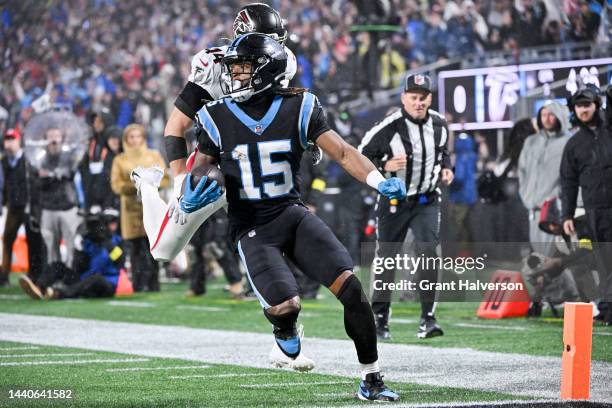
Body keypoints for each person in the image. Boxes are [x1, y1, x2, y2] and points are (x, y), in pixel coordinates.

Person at [133, 33, 404, 401]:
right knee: (285, 307)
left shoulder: (301, 106)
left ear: (266, 71)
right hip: (252, 226)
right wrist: (190, 188)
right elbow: (201, 166)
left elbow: (341, 152)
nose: (234, 76)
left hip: (291, 214)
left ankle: (372, 378)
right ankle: (285, 332)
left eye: (243, 68)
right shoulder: (216, 115)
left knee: (352, 289)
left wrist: (377, 179)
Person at [132, 3, 299, 263]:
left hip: (256, 160)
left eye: (275, 42)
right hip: (214, 164)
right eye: (265, 41)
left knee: (275, 235)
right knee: (163, 251)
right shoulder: (214, 66)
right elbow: (175, 127)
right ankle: (147, 184)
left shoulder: (284, 62)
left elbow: (281, 107)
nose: (272, 49)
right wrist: (180, 181)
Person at [358, 74, 454, 340]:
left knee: (429, 254)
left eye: (423, 97)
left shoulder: (440, 124)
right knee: (387, 258)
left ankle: (428, 319)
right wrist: (384, 167)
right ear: (403, 99)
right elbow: (360, 155)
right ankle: (380, 319)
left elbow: (443, 152)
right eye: (413, 97)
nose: (418, 102)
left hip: (427, 199)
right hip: (394, 201)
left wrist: (446, 169)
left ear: (430, 99)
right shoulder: (389, 126)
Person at [561, 83, 612, 325]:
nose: (583, 110)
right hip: (594, 211)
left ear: (597, 105)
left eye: (587, 105)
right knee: (602, 260)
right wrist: (566, 215)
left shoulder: (610, 129)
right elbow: (568, 183)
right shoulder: (574, 144)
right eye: (579, 106)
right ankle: (607, 307)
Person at [18, 208, 124, 300]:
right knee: (57, 266)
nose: (113, 224)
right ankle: (39, 287)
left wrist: (106, 241)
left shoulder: (117, 241)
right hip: (84, 280)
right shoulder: (87, 241)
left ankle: (59, 293)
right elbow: (78, 267)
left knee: (96, 279)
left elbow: (119, 262)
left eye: (114, 221)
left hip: (106, 283)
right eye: (109, 222)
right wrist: (81, 245)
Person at [111, 124, 168, 292]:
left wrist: (150, 186)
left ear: (143, 138)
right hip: (130, 209)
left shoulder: (154, 155)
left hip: (152, 207)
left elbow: (165, 179)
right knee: (135, 249)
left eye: (138, 136)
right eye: (131, 137)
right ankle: (138, 283)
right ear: (126, 139)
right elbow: (116, 185)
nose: (135, 140)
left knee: (154, 245)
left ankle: (153, 283)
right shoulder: (119, 159)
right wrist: (137, 185)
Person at [38, 127, 80, 267]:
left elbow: (74, 173)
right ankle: (52, 276)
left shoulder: (70, 156)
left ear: (62, 138)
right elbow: (35, 182)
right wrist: (47, 177)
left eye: (57, 135)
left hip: (67, 206)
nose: (54, 139)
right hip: (48, 207)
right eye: (51, 136)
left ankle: (69, 277)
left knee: (71, 245)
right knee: (50, 247)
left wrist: (63, 172)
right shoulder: (40, 158)